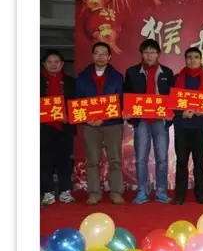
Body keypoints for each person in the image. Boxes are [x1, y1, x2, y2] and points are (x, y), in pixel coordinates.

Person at [123, 39, 174, 204]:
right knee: (141, 159)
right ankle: (142, 192)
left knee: (162, 159)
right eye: (146, 52)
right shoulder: (132, 72)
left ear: (159, 54)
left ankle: (161, 192)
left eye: (152, 52)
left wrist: (171, 112)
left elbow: (172, 97)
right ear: (142, 55)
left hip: (161, 120)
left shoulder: (167, 73)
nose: (149, 55)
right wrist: (127, 112)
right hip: (142, 120)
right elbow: (126, 95)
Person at [75, 42, 125, 205]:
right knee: (92, 160)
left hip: (112, 124)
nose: (100, 56)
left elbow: (120, 102)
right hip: (90, 125)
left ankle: (116, 192)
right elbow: (78, 102)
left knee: (115, 159)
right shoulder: (82, 77)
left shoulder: (117, 77)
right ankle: (94, 193)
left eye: (104, 53)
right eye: (97, 53)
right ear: (92, 56)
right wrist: (87, 118)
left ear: (109, 57)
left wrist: (105, 118)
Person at [172, 47, 203, 205]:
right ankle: (179, 196)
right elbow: (170, 103)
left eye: (196, 57)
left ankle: (201, 195)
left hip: (199, 127)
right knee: (181, 162)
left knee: (199, 162)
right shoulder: (176, 79)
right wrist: (181, 113)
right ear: (185, 60)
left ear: (201, 60)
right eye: (189, 57)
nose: (193, 60)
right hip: (182, 126)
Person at [40, 50, 77, 206]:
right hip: (43, 128)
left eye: (56, 62)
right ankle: (47, 192)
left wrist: (70, 116)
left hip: (64, 127)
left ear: (62, 64)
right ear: (44, 64)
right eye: (49, 62)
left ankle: (65, 191)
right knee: (44, 161)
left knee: (65, 161)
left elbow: (77, 103)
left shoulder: (71, 82)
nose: (53, 65)